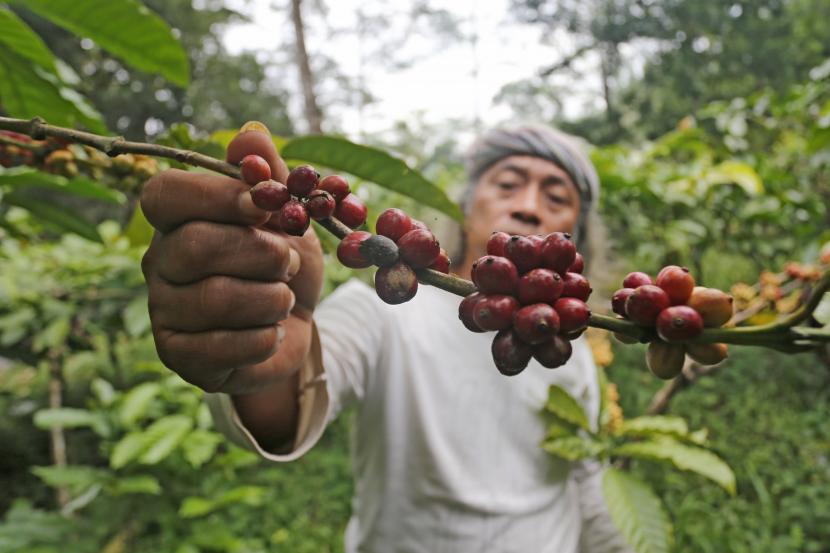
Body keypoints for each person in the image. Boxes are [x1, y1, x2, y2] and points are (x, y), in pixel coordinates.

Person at [140, 121, 632, 553]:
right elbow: (287, 397)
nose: (527, 207)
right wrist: (252, 344)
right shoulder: (382, 310)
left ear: (576, 233)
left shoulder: (572, 348)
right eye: (507, 184)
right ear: (464, 204)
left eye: (556, 197)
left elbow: (582, 477)